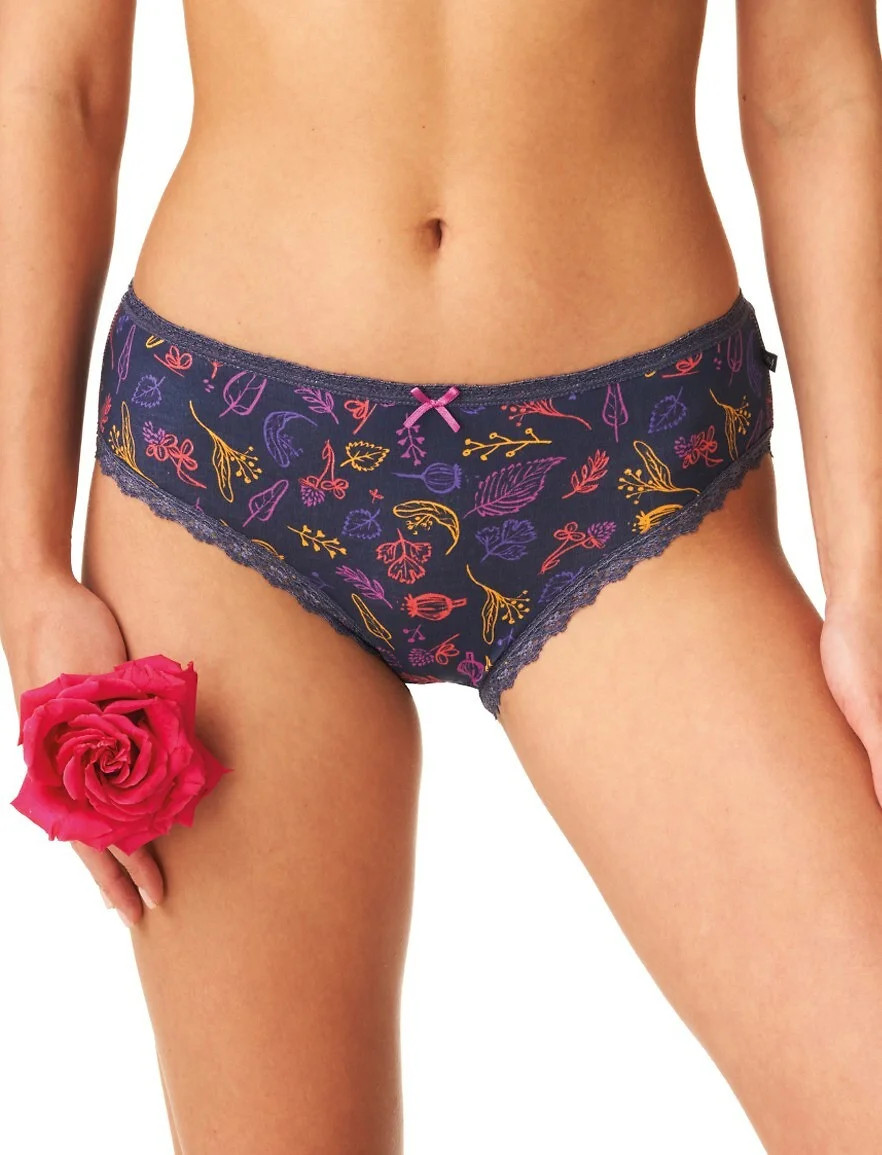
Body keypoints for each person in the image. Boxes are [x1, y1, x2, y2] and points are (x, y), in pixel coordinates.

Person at [1, 0, 881, 1151]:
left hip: (633, 470)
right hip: (227, 467)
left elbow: (815, 93)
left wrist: (867, 572)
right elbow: (51, 86)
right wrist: (25, 571)